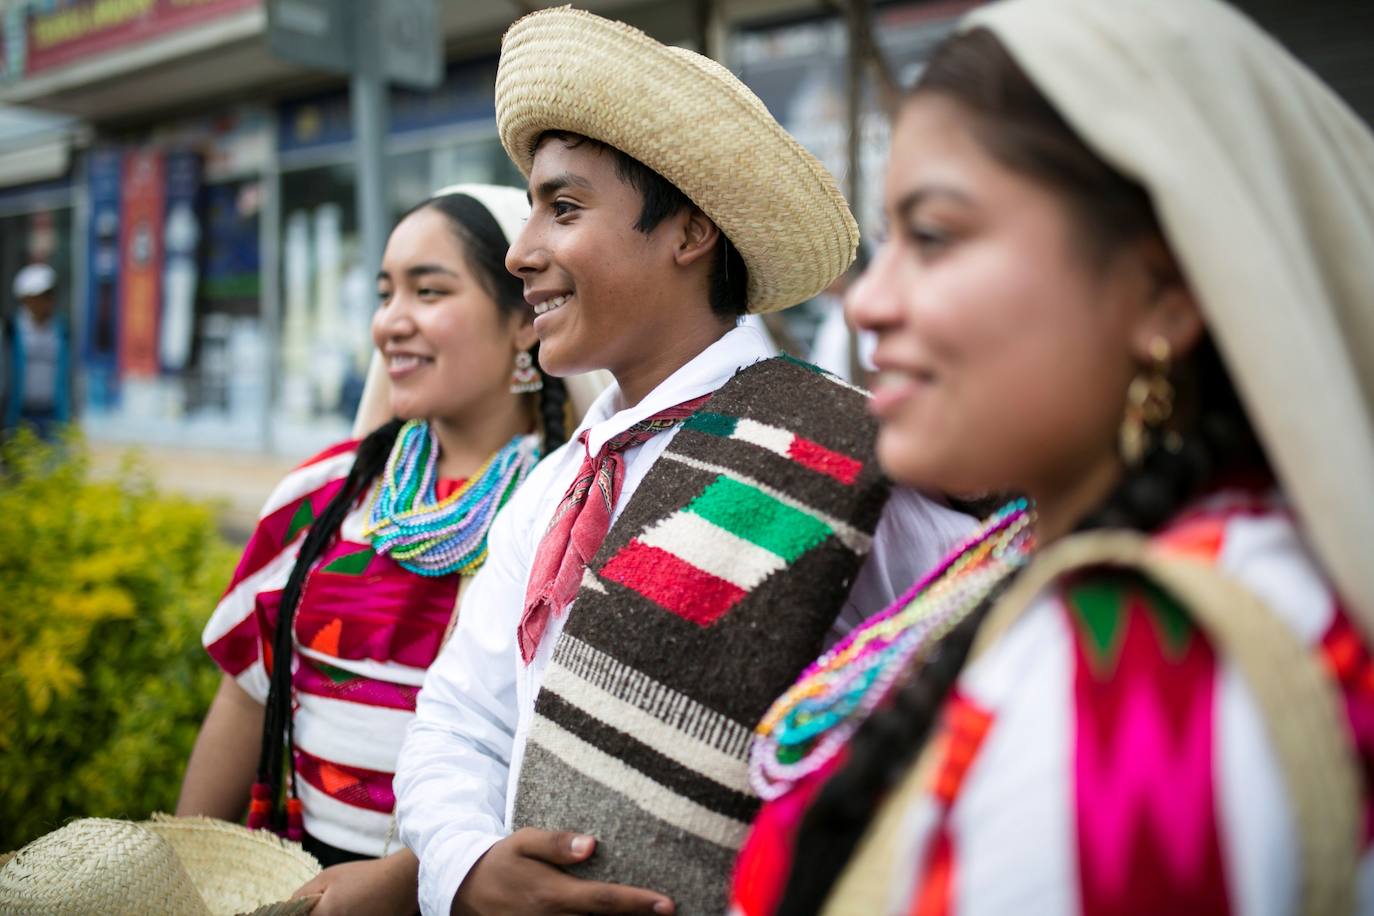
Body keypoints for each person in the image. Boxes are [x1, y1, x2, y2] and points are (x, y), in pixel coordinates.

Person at [730, 0, 1374, 913]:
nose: (868, 302)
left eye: (937, 236)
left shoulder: (1149, 675)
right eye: (889, 240)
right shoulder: (1187, 565)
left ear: (1163, 291)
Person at [394, 9, 974, 916]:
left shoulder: (844, 452)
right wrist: (468, 868)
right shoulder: (561, 480)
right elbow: (460, 719)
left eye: (566, 207)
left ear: (691, 231)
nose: (522, 252)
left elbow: (955, 745)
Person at [177, 185, 575, 915]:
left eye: (429, 291)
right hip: (289, 883)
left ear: (524, 320)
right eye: (386, 292)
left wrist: (406, 881)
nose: (391, 322)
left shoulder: (567, 515)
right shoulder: (323, 495)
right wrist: (182, 877)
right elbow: (245, 698)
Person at [3, 262, 71, 440]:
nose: (47, 301)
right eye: (41, 296)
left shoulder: (62, 330)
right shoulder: (11, 330)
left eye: (49, 295)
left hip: (52, 416)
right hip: (18, 415)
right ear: (26, 298)